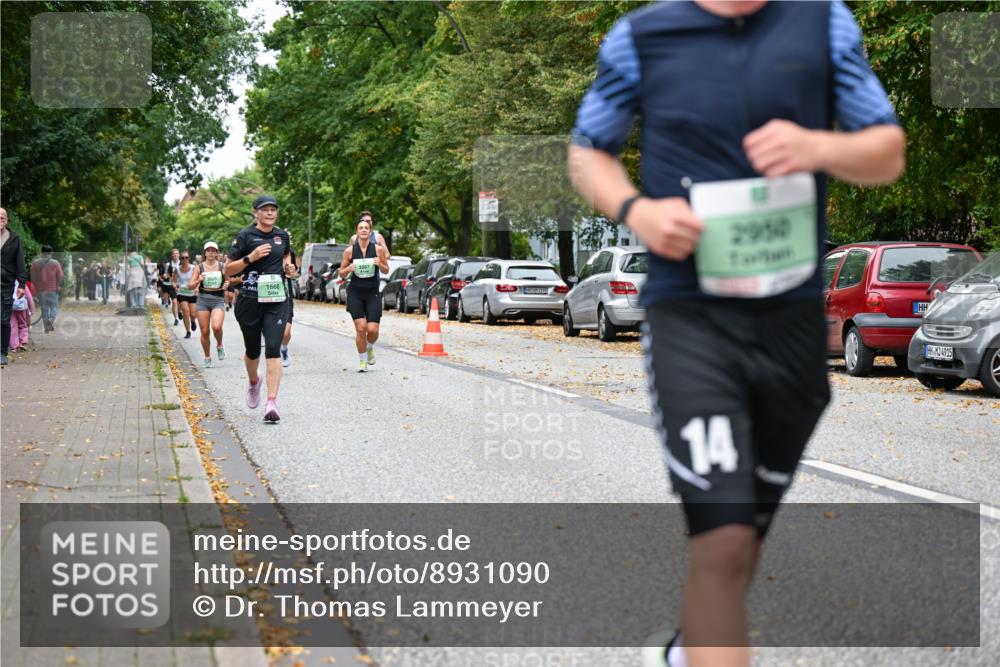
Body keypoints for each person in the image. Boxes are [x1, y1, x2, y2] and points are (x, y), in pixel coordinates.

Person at [567, 2, 905, 666]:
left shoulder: (823, 21)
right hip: (691, 318)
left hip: (790, 328)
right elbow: (587, 154)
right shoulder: (642, 37)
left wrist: (817, 147)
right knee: (720, 543)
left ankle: (685, 652)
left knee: (739, 541)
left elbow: (886, 151)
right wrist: (637, 210)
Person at [224, 194, 296, 422]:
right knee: (253, 350)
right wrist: (250, 258)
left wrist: (289, 269)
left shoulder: (281, 236)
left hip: (276, 299)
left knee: (273, 348)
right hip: (249, 299)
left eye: (273, 209)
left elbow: (286, 258)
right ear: (255, 212)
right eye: (265, 209)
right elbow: (227, 270)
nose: (270, 213)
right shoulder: (245, 236)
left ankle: (271, 403)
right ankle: (254, 381)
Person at [339, 214, 389, 372]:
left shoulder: (378, 249)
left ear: (370, 231)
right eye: (361, 228)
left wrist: (379, 263)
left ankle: (369, 347)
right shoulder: (349, 251)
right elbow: (341, 273)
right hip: (355, 292)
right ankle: (362, 361)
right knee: (361, 328)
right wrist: (349, 269)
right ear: (357, 231)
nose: (363, 230)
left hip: (372, 292)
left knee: (373, 330)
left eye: (366, 228)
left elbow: (386, 270)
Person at [190, 241, 228, 367]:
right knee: (205, 331)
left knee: (216, 327)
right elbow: (190, 286)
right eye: (208, 250)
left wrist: (227, 283)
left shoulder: (222, 266)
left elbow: (229, 280)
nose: (211, 253)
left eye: (213, 250)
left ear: (217, 253)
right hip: (203, 300)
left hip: (218, 299)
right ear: (205, 253)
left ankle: (219, 344)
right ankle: (207, 356)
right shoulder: (198, 267)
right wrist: (198, 280)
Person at [1, 207, 28, 367]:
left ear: (7, 220)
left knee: (4, 319)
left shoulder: (14, 238)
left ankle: (2, 352)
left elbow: (20, 262)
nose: (0, 220)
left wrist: (22, 284)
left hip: (6, 284)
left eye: (3, 217)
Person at [31, 245, 64, 332]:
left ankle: (46, 327)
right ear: (51, 252)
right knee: (54, 306)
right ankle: (51, 319)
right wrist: (59, 285)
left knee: (44, 308)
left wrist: (36, 286)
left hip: (41, 290)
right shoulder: (56, 263)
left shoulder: (35, 263)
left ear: (41, 252)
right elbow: (60, 276)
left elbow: (33, 278)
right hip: (53, 289)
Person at [279, 240, 300, 367]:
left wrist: (290, 271)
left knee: (286, 333)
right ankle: (274, 358)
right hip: (268, 296)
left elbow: (294, 273)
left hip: (286, 294)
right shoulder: (265, 252)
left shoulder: (289, 253)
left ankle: (284, 349)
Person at [172, 251, 198, 338]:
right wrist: (175, 286)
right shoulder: (177, 269)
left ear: (189, 258)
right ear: (180, 259)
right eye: (182, 258)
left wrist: (197, 287)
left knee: (193, 314)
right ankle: (188, 331)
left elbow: (198, 280)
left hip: (192, 292)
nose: (184, 259)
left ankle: (193, 321)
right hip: (182, 293)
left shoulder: (193, 268)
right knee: (186, 313)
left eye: (186, 257)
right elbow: (174, 281)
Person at [9, 280, 35, 351]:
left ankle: (14, 346)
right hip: (22, 308)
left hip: (11, 308)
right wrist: (31, 309)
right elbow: (29, 297)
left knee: (12, 326)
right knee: (23, 324)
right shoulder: (22, 285)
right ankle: (23, 343)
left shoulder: (7, 283)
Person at [162, 248, 181, 324]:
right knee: (174, 301)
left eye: (176, 253)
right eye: (174, 253)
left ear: (179, 255)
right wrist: (165, 275)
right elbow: (165, 273)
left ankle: (179, 311)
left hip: (181, 285)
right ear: (172, 255)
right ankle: (176, 318)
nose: (175, 255)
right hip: (171, 285)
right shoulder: (168, 264)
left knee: (180, 302)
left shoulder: (182, 263)